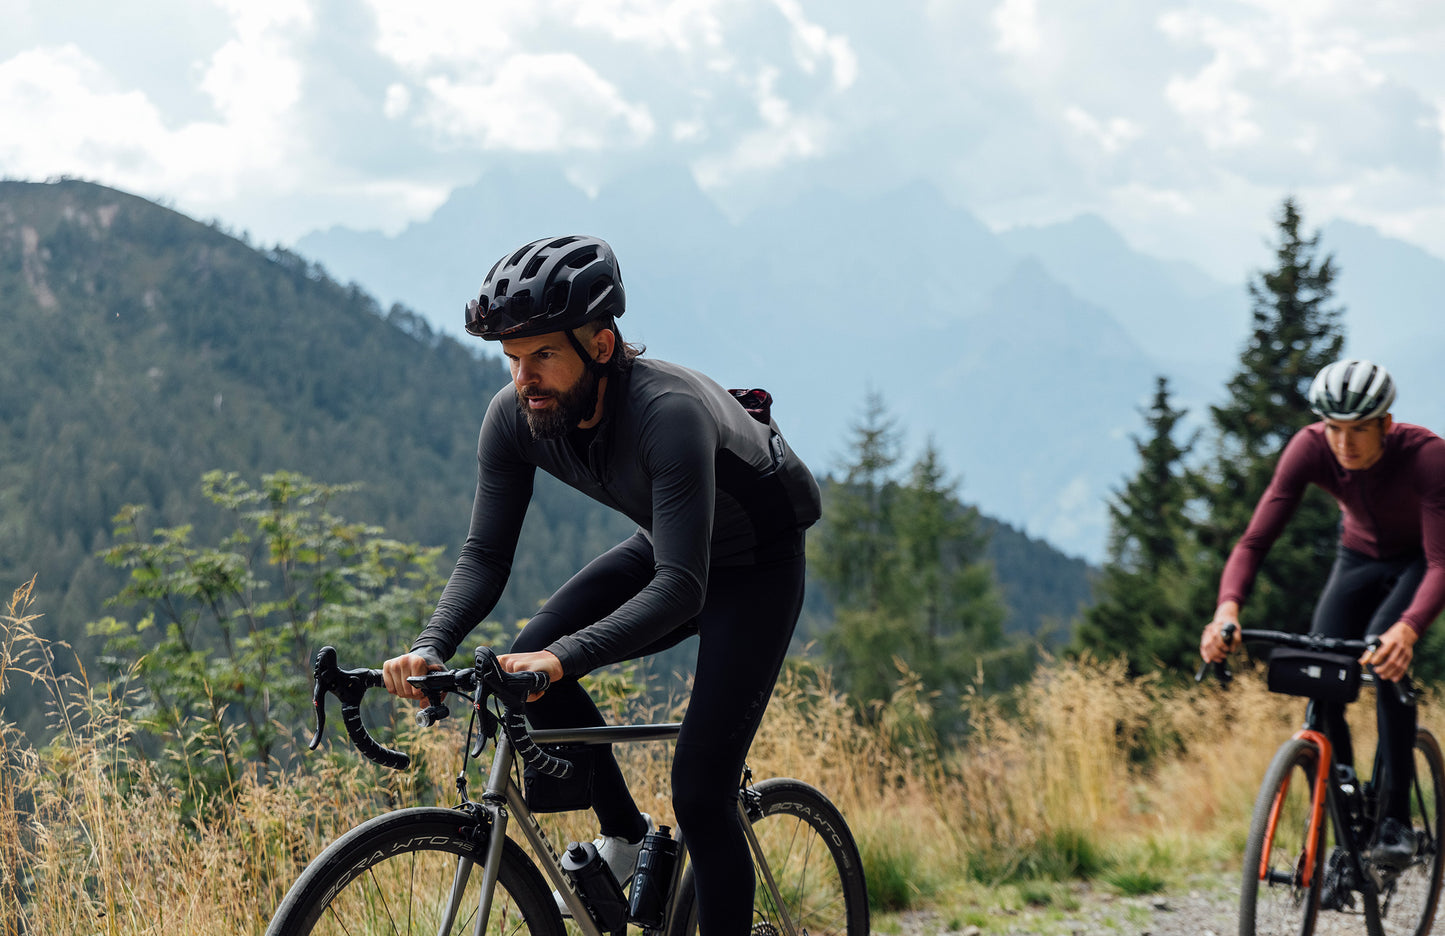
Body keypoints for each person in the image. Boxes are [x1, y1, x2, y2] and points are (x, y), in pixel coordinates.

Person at [382, 235, 822, 936]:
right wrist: (431, 645)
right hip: (670, 542)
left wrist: (563, 658)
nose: (524, 378)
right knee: (528, 655)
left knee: (700, 790)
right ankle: (624, 835)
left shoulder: (667, 413)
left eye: (543, 355)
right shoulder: (514, 417)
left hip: (756, 564)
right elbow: (485, 555)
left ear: (602, 346)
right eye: (512, 358)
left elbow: (681, 588)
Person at [1199, 358, 1445, 869]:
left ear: (1385, 424)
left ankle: (1397, 820)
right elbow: (1254, 541)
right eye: (1334, 427)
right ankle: (1346, 817)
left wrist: (1408, 629)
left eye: (1358, 430)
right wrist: (1226, 610)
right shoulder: (1309, 447)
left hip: (1420, 561)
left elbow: (1442, 562)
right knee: (1320, 670)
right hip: (1357, 557)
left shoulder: (1427, 456)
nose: (1343, 443)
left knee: (1383, 657)